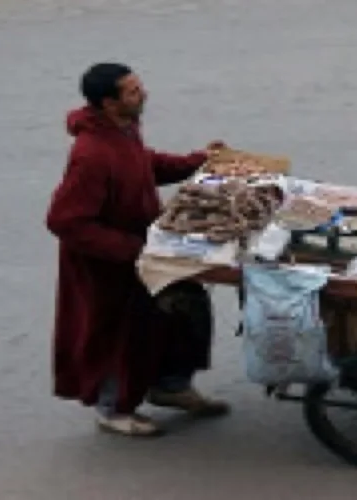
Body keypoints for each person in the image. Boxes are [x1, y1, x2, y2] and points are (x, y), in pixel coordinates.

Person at [45, 62, 229, 437]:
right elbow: (65, 221)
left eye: (139, 86)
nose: (142, 94)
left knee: (186, 306)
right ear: (109, 103)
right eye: (132, 91)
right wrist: (132, 249)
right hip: (108, 266)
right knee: (118, 335)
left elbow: (145, 166)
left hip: (146, 249)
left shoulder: (123, 131)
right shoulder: (91, 154)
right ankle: (113, 409)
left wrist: (198, 163)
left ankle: (171, 386)